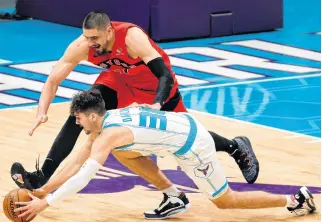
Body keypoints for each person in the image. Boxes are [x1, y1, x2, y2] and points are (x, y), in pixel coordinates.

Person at [11, 11, 258, 196]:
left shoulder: (131, 38)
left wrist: (159, 104)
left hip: (154, 85)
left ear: (109, 31)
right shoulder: (83, 45)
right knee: (81, 112)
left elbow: (163, 74)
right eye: (87, 38)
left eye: (95, 37)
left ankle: (234, 146)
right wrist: (41, 111)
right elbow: (54, 78)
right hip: (119, 81)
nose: (91, 43)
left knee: (186, 135)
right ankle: (42, 177)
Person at [14, 90, 315, 222]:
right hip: (179, 128)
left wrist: (46, 204)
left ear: (91, 115)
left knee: (225, 202)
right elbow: (74, 162)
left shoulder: (110, 134)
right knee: (125, 154)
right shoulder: (105, 123)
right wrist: (42, 190)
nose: (75, 122)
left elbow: (84, 177)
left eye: (77, 117)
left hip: (194, 146)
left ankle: (294, 199)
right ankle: (173, 196)